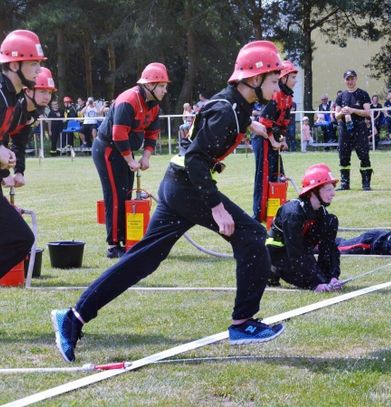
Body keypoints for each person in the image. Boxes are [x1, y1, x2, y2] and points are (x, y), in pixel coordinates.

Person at [51, 40, 286, 363]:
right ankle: (243, 323)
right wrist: (216, 207)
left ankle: (73, 317)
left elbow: (234, 123)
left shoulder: (236, 106)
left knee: (143, 260)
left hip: (177, 185)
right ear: (254, 80)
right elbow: (196, 160)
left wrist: (263, 131)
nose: (278, 87)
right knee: (253, 236)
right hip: (188, 185)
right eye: (274, 80)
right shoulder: (229, 111)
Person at [91, 63, 167, 259]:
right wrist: (129, 160)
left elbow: (152, 133)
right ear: (149, 86)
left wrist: (146, 156)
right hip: (108, 149)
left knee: (126, 194)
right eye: (161, 86)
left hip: (124, 152)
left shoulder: (154, 105)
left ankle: (129, 239)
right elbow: (118, 134)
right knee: (115, 196)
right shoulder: (129, 100)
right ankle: (114, 244)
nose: (165, 90)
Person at [0, 29, 45, 279]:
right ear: (15, 63)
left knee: (20, 239)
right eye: (34, 63)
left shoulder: (11, 98)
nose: (39, 70)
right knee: (20, 238)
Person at [266, 163, 342, 292]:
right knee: (314, 281)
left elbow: (330, 247)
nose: (333, 194)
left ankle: (324, 275)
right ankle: (272, 269)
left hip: (300, 253)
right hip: (279, 254)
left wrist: (332, 276)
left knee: (331, 221)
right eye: (329, 189)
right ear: (314, 191)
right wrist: (315, 282)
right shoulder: (293, 213)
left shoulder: (320, 212)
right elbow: (295, 252)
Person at [253, 60, 297, 222]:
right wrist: (272, 141)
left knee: (278, 175)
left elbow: (284, 123)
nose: (295, 81)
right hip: (263, 137)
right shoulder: (276, 95)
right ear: (284, 78)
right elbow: (264, 121)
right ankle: (258, 215)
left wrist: (282, 140)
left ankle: (275, 213)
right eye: (292, 77)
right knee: (263, 176)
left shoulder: (289, 99)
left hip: (274, 139)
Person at [4, 67, 56, 189]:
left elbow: (19, 143)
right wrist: (4, 173)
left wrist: (19, 172)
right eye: (42, 91)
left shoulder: (33, 113)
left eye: (49, 92)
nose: (47, 97)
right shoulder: (13, 108)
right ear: (27, 91)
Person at [334, 69, 372, 191]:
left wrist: (352, 110)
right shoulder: (341, 96)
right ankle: (345, 184)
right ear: (344, 80)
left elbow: (367, 113)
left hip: (359, 128)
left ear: (356, 79)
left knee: (364, 155)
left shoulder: (363, 94)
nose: (350, 81)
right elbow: (336, 116)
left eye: (352, 78)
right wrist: (342, 112)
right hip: (345, 129)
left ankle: (366, 184)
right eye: (347, 79)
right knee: (343, 156)